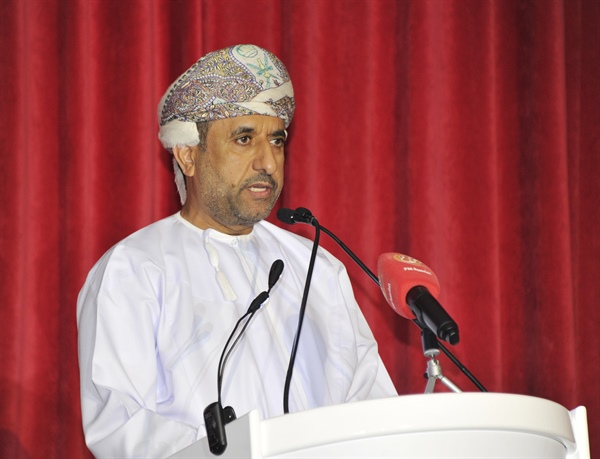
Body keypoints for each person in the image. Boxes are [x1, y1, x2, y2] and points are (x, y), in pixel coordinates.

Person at [77, 44, 397, 458]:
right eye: (244, 139)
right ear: (188, 155)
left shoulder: (316, 268)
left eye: (277, 141)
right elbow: (120, 427)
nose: (268, 162)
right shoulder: (134, 269)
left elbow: (371, 406)